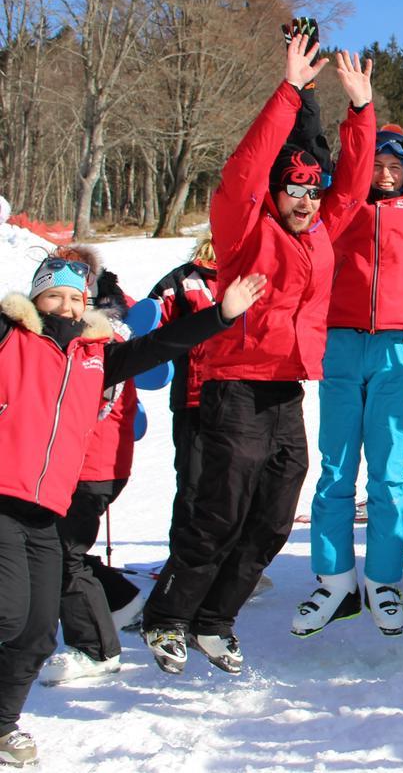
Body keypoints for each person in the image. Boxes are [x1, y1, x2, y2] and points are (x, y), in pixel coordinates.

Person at [141, 37, 371, 674]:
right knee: (219, 513)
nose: (304, 200)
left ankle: (215, 621)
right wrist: (289, 92)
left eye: (310, 190)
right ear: (276, 192)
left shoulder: (323, 226)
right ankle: (167, 618)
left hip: (286, 390)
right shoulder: (244, 229)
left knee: (272, 520)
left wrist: (362, 111)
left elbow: (351, 186)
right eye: (293, 189)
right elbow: (244, 170)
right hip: (234, 386)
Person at [0, 254, 263, 767]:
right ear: (35, 298)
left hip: (49, 511)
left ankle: (3, 724)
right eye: (54, 296)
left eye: (76, 299)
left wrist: (220, 316)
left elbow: (158, 345)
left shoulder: (96, 356)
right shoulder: (11, 337)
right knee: (8, 615)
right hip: (3, 501)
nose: (65, 306)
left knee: (33, 636)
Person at [292, 30, 403, 640]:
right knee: (336, 470)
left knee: (391, 474)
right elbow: (313, 146)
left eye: (396, 165)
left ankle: (385, 580)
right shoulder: (340, 204)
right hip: (341, 344)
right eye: (378, 164)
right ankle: (334, 582)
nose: (387, 174)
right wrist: (308, 88)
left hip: (399, 348)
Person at [35, 247, 142, 685]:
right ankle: (121, 602)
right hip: (67, 465)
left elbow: (92, 404)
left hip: (92, 465)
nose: (65, 304)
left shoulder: (101, 337)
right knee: (53, 548)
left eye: (74, 292)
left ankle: (97, 648)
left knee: (62, 553)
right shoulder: (56, 334)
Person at [148, 238, 218, 568]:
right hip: (195, 399)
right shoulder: (182, 280)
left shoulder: (255, 271)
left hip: (247, 401)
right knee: (194, 484)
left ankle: (224, 563)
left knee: (237, 488)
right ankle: (182, 563)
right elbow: (147, 325)